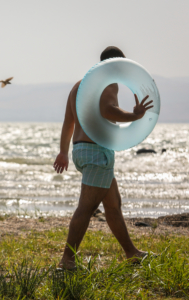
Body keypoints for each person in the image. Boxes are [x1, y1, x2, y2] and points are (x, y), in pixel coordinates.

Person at [53, 46, 154, 270]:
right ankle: (67, 260)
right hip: (97, 152)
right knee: (86, 208)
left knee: (113, 205)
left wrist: (63, 151)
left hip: (82, 150)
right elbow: (108, 110)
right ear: (116, 64)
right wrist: (134, 116)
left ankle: (131, 253)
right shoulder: (109, 82)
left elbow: (68, 123)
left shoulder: (79, 86)